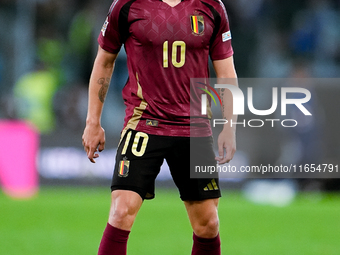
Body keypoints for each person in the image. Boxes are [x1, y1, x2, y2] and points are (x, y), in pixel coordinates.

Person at [82, 0, 238, 254]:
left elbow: (227, 73)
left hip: (194, 128)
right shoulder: (127, 5)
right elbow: (105, 60)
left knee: (208, 223)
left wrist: (229, 126)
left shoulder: (212, 6)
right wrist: (92, 122)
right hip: (143, 122)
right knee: (121, 210)